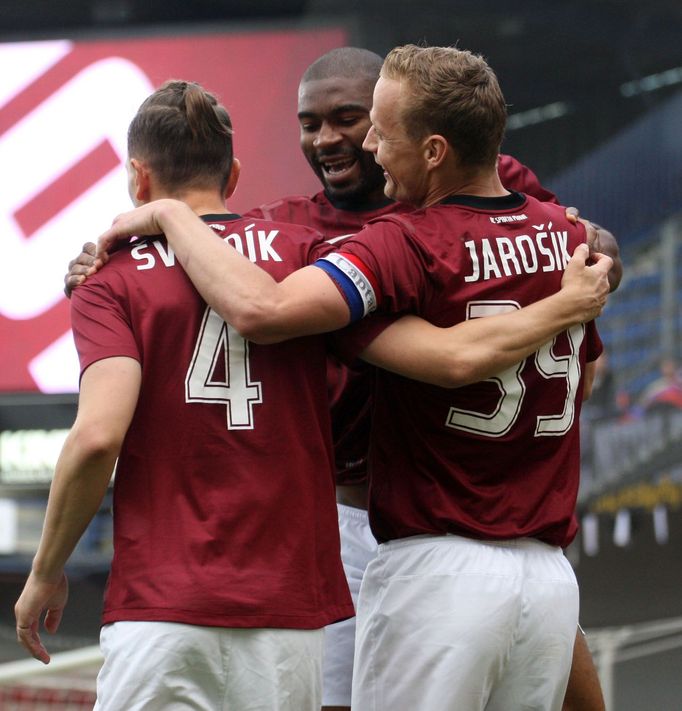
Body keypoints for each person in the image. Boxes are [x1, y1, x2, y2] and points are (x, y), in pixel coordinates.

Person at [24, 79, 607, 711]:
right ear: (235, 173)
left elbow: (102, 433)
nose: (365, 145)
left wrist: (45, 569)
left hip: (175, 600)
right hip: (300, 607)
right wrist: (575, 294)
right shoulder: (308, 252)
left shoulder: (112, 277)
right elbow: (461, 350)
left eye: (370, 126)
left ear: (138, 180)